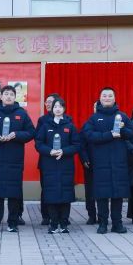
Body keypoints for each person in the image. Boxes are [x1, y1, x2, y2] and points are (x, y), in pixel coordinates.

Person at [0, 85, 36, 232]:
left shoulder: (21, 113)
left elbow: (31, 132)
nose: (9, 96)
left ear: (15, 97)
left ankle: (13, 223)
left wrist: (16, 135)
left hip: (15, 159)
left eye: (12, 94)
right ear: (1, 96)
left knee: (14, 193)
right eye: (6, 94)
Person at [82, 87, 133, 234]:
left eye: (110, 96)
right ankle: (103, 223)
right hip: (101, 162)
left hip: (119, 161)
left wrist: (122, 129)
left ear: (114, 98)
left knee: (118, 194)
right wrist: (109, 134)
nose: (107, 98)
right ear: (100, 99)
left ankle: (117, 223)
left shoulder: (122, 116)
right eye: (104, 96)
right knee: (102, 194)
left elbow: (132, 134)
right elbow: (89, 135)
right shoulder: (94, 118)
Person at [38, 97, 82, 234]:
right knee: (51, 194)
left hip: (65, 165)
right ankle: (53, 223)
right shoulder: (46, 126)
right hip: (49, 164)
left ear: (64, 109)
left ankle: (64, 223)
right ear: (52, 109)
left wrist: (64, 151)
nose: (57, 109)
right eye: (55, 106)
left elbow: (77, 145)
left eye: (60, 106)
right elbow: (38, 143)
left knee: (65, 194)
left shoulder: (70, 126)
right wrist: (49, 151)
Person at [37, 93, 58, 226]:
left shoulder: (67, 119)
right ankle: (46, 216)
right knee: (46, 188)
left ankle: (61, 216)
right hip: (46, 159)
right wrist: (49, 150)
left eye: (51, 102)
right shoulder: (42, 120)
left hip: (62, 159)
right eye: (47, 102)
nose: (48, 104)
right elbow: (38, 140)